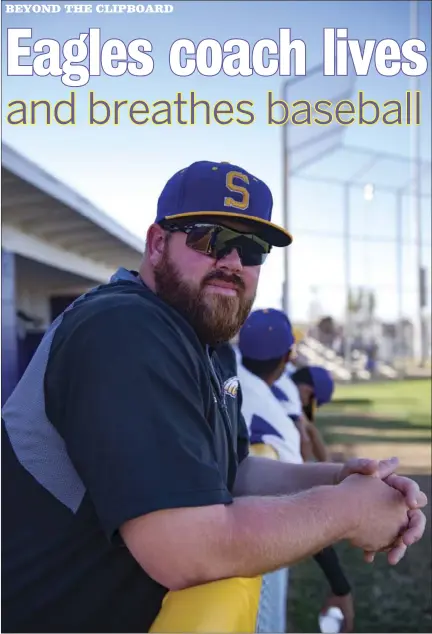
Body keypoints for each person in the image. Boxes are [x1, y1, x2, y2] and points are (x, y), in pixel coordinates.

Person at [1, 160, 427, 633]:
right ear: (157, 242)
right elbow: (185, 549)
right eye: (212, 239)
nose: (233, 262)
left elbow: (234, 470)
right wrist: (347, 510)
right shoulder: (122, 328)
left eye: (252, 248)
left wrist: (338, 477)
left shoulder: (204, 340)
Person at [237, 309, 354, 632]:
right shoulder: (279, 416)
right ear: (288, 356)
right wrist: (339, 585)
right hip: (248, 547)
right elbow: (302, 503)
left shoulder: (218, 365)